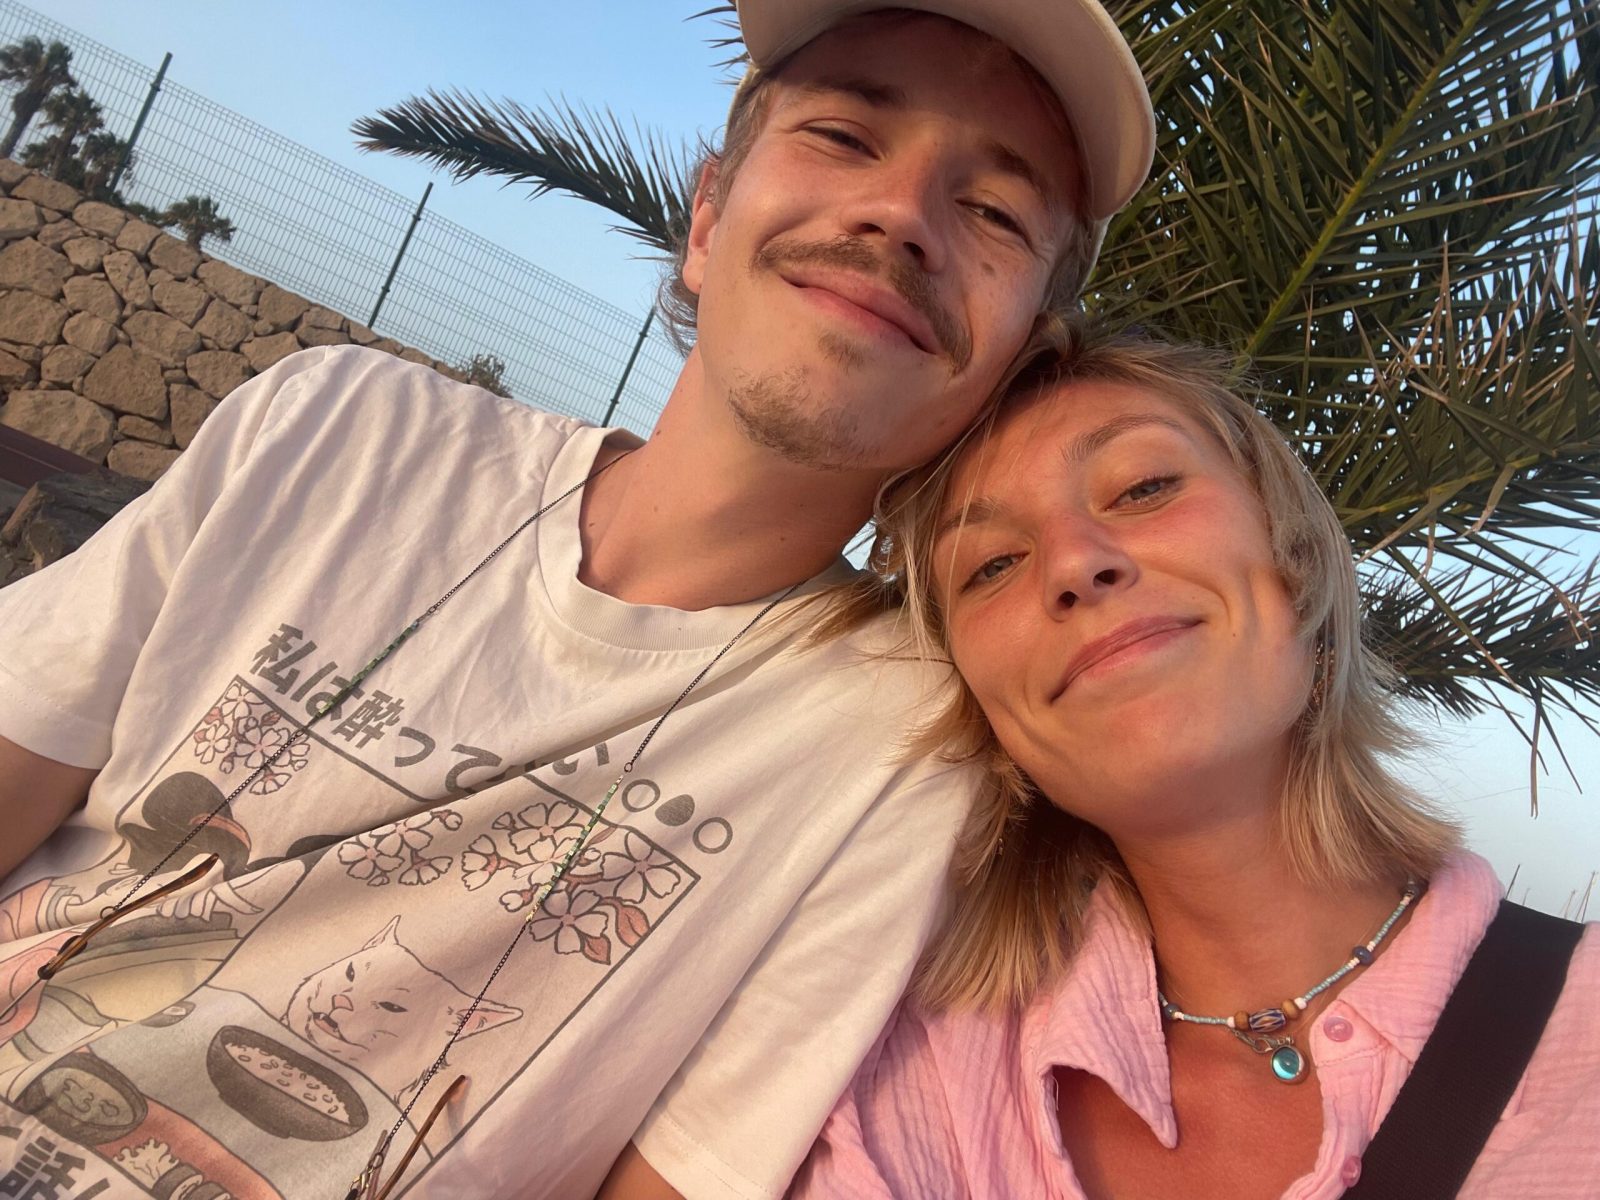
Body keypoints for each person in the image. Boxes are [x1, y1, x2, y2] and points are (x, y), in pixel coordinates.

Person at [0, 3, 1156, 1198]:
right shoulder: (338, 430)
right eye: (845, 138)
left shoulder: (906, 757)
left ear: (1016, 364)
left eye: (993, 213)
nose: (901, 215)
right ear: (706, 219)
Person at [792, 327, 1600, 1198]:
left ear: (1294, 560)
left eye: (1144, 487)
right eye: (991, 566)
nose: (1075, 562)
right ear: (982, 710)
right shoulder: (909, 1094)